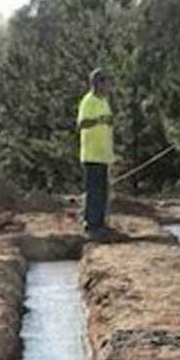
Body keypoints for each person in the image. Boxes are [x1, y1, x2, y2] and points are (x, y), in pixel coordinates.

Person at [77, 69, 116, 240]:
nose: (109, 86)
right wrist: (99, 121)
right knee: (94, 191)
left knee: (102, 191)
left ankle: (100, 223)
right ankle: (91, 225)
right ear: (98, 83)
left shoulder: (104, 101)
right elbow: (81, 123)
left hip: (103, 154)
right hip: (92, 154)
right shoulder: (89, 101)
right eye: (107, 82)